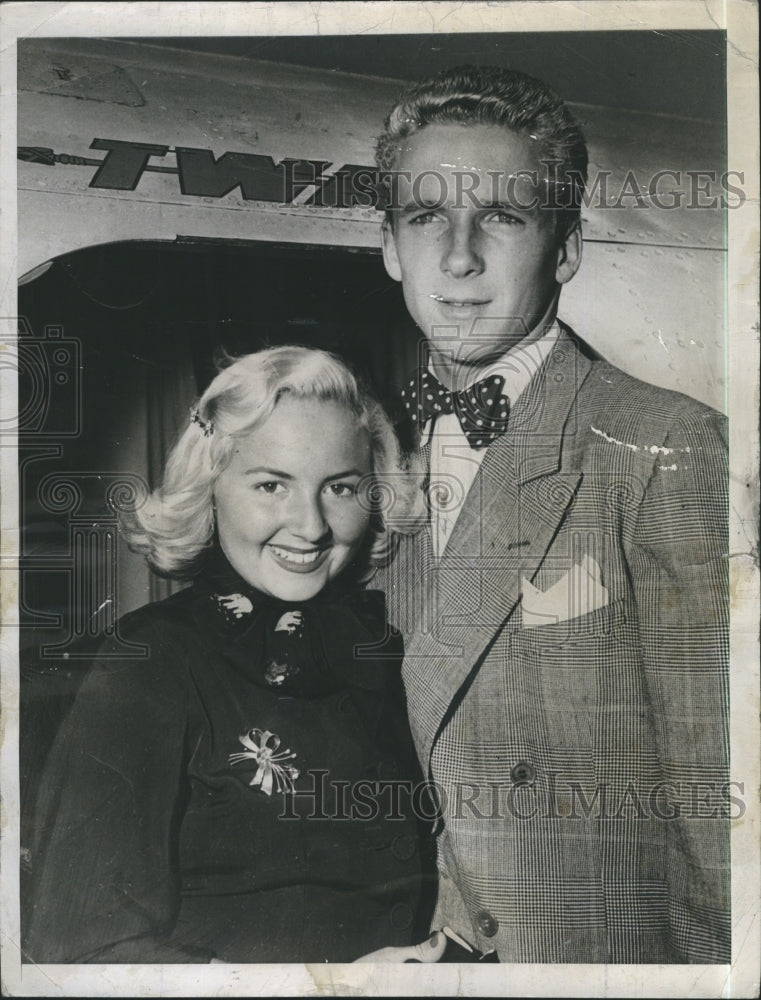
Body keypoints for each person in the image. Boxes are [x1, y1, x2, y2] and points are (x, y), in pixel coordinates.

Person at [373, 65, 730, 964]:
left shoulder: (668, 445)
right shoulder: (368, 453)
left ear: (564, 249)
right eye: (425, 218)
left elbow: (717, 797)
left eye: (500, 216)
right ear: (388, 248)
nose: (457, 257)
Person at [24, 345, 439, 963]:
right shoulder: (150, 660)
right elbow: (80, 950)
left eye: (341, 487)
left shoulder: (388, 641)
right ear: (209, 488)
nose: (311, 526)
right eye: (272, 485)